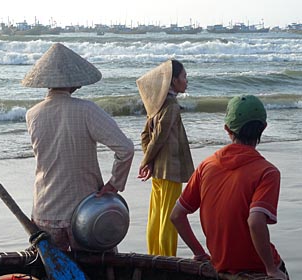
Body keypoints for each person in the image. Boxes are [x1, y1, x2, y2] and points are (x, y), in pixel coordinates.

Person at [22, 43, 134, 251]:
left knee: (53, 271)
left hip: (45, 212)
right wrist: (114, 184)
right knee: (98, 268)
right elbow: (125, 149)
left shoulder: (32, 114)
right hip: (85, 213)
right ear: (75, 83)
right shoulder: (86, 110)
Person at [170, 95, 289, 279]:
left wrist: (200, 254)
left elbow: (177, 215)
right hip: (257, 268)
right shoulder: (267, 172)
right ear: (263, 128)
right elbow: (255, 221)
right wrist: (271, 268)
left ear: (227, 129)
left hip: (221, 267)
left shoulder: (206, 166)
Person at [136, 59, 194, 256]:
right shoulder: (171, 107)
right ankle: (167, 259)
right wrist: (145, 163)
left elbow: (145, 137)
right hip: (171, 170)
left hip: (159, 170)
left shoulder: (156, 106)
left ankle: (154, 256)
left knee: (155, 217)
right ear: (173, 80)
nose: (186, 81)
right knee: (170, 220)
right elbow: (159, 137)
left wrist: (150, 161)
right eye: (184, 77)